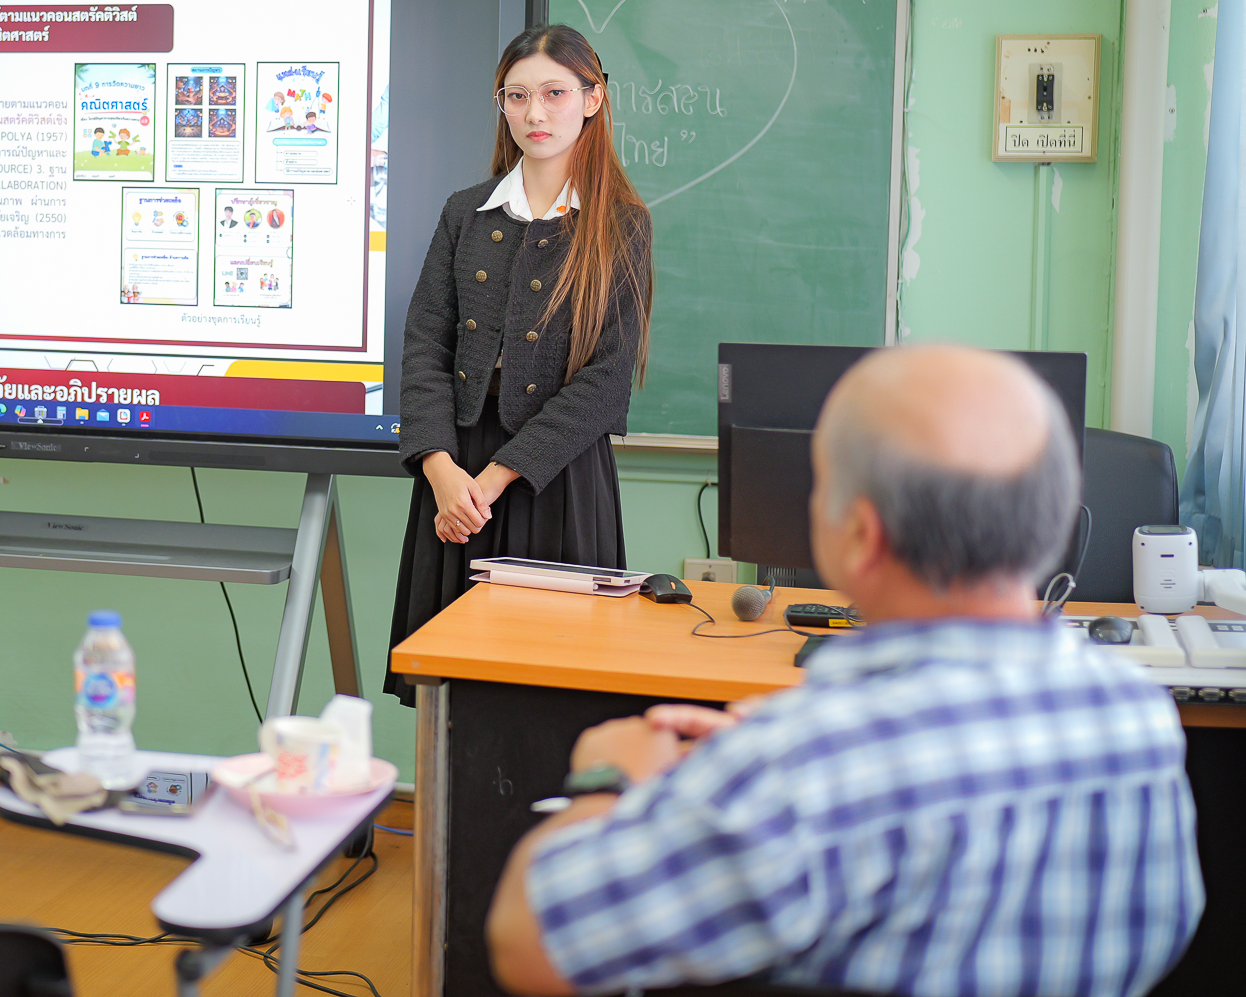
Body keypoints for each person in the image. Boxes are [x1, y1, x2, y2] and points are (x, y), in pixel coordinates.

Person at [486, 344, 1203, 997]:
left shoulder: (810, 765)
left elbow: (530, 945)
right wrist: (768, 760)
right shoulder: (1136, 716)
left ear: (860, 534)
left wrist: (608, 781)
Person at [385, 24, 653, 706]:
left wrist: (493, 480)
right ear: (501, 104)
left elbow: (607, 378)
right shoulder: (465, 213)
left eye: (555, 93)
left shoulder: (620, 223)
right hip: (456, 475)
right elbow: (425, 346)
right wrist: (441, 471)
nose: (536, 113)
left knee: (548, 695)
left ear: (592, 99)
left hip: (554, 477)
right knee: (452, 694)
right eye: (518, 95)